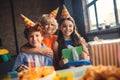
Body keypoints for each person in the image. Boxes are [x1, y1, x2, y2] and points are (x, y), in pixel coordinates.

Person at [53, 5, 90, 69]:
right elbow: (58, 62)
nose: (67, 29)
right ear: (60, 27)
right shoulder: (56, 43)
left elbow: (88, 55)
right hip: (68, 65)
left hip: (81, 62)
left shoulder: (78, 39)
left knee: (83, 67)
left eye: (70, 26)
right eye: (64, 26)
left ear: (73, 27)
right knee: (71, 68)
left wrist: (84, 51)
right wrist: (62, 62)